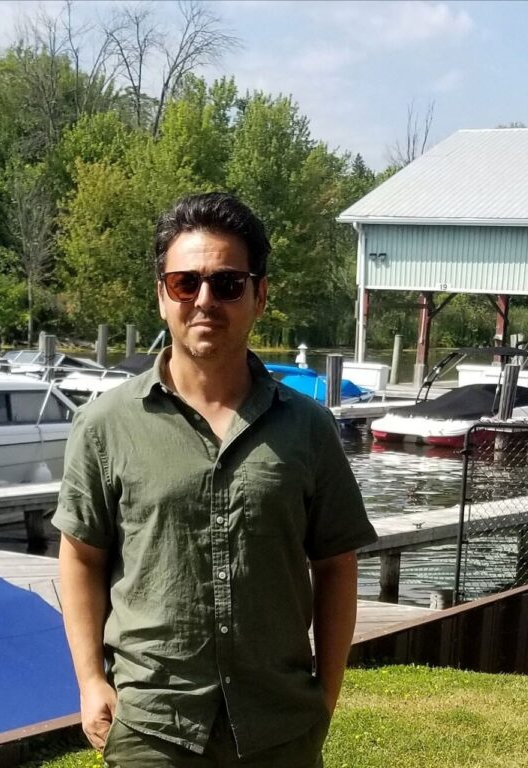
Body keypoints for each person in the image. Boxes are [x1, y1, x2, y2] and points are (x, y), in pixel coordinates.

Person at [53, 192, 377, 768]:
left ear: (259, 295)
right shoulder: (105, 425)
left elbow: (336, 564)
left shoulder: (308, 428)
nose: (205, 300)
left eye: (227, 284)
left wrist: (325, 696)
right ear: (162, 296)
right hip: (152, 727)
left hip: (280, 726)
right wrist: (89, 680)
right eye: (185, 283)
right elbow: (81, 556)